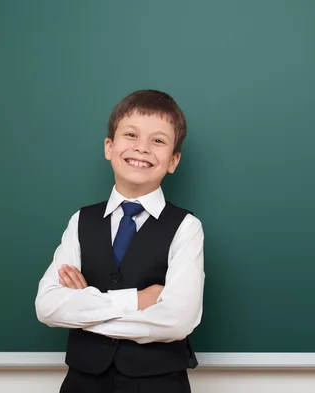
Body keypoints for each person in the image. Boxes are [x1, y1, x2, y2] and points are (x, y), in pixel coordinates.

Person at [34, 89, 205, 393]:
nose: (142, 148)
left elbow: (178, 320)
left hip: (160, 385)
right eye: (131, 135)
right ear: (109, 147)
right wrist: (138, 300)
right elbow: (48, 306)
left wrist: (83, 312)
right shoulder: (81, 221)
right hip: (82, 383)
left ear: (174, 160)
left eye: (158, 140)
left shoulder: (186, 228)